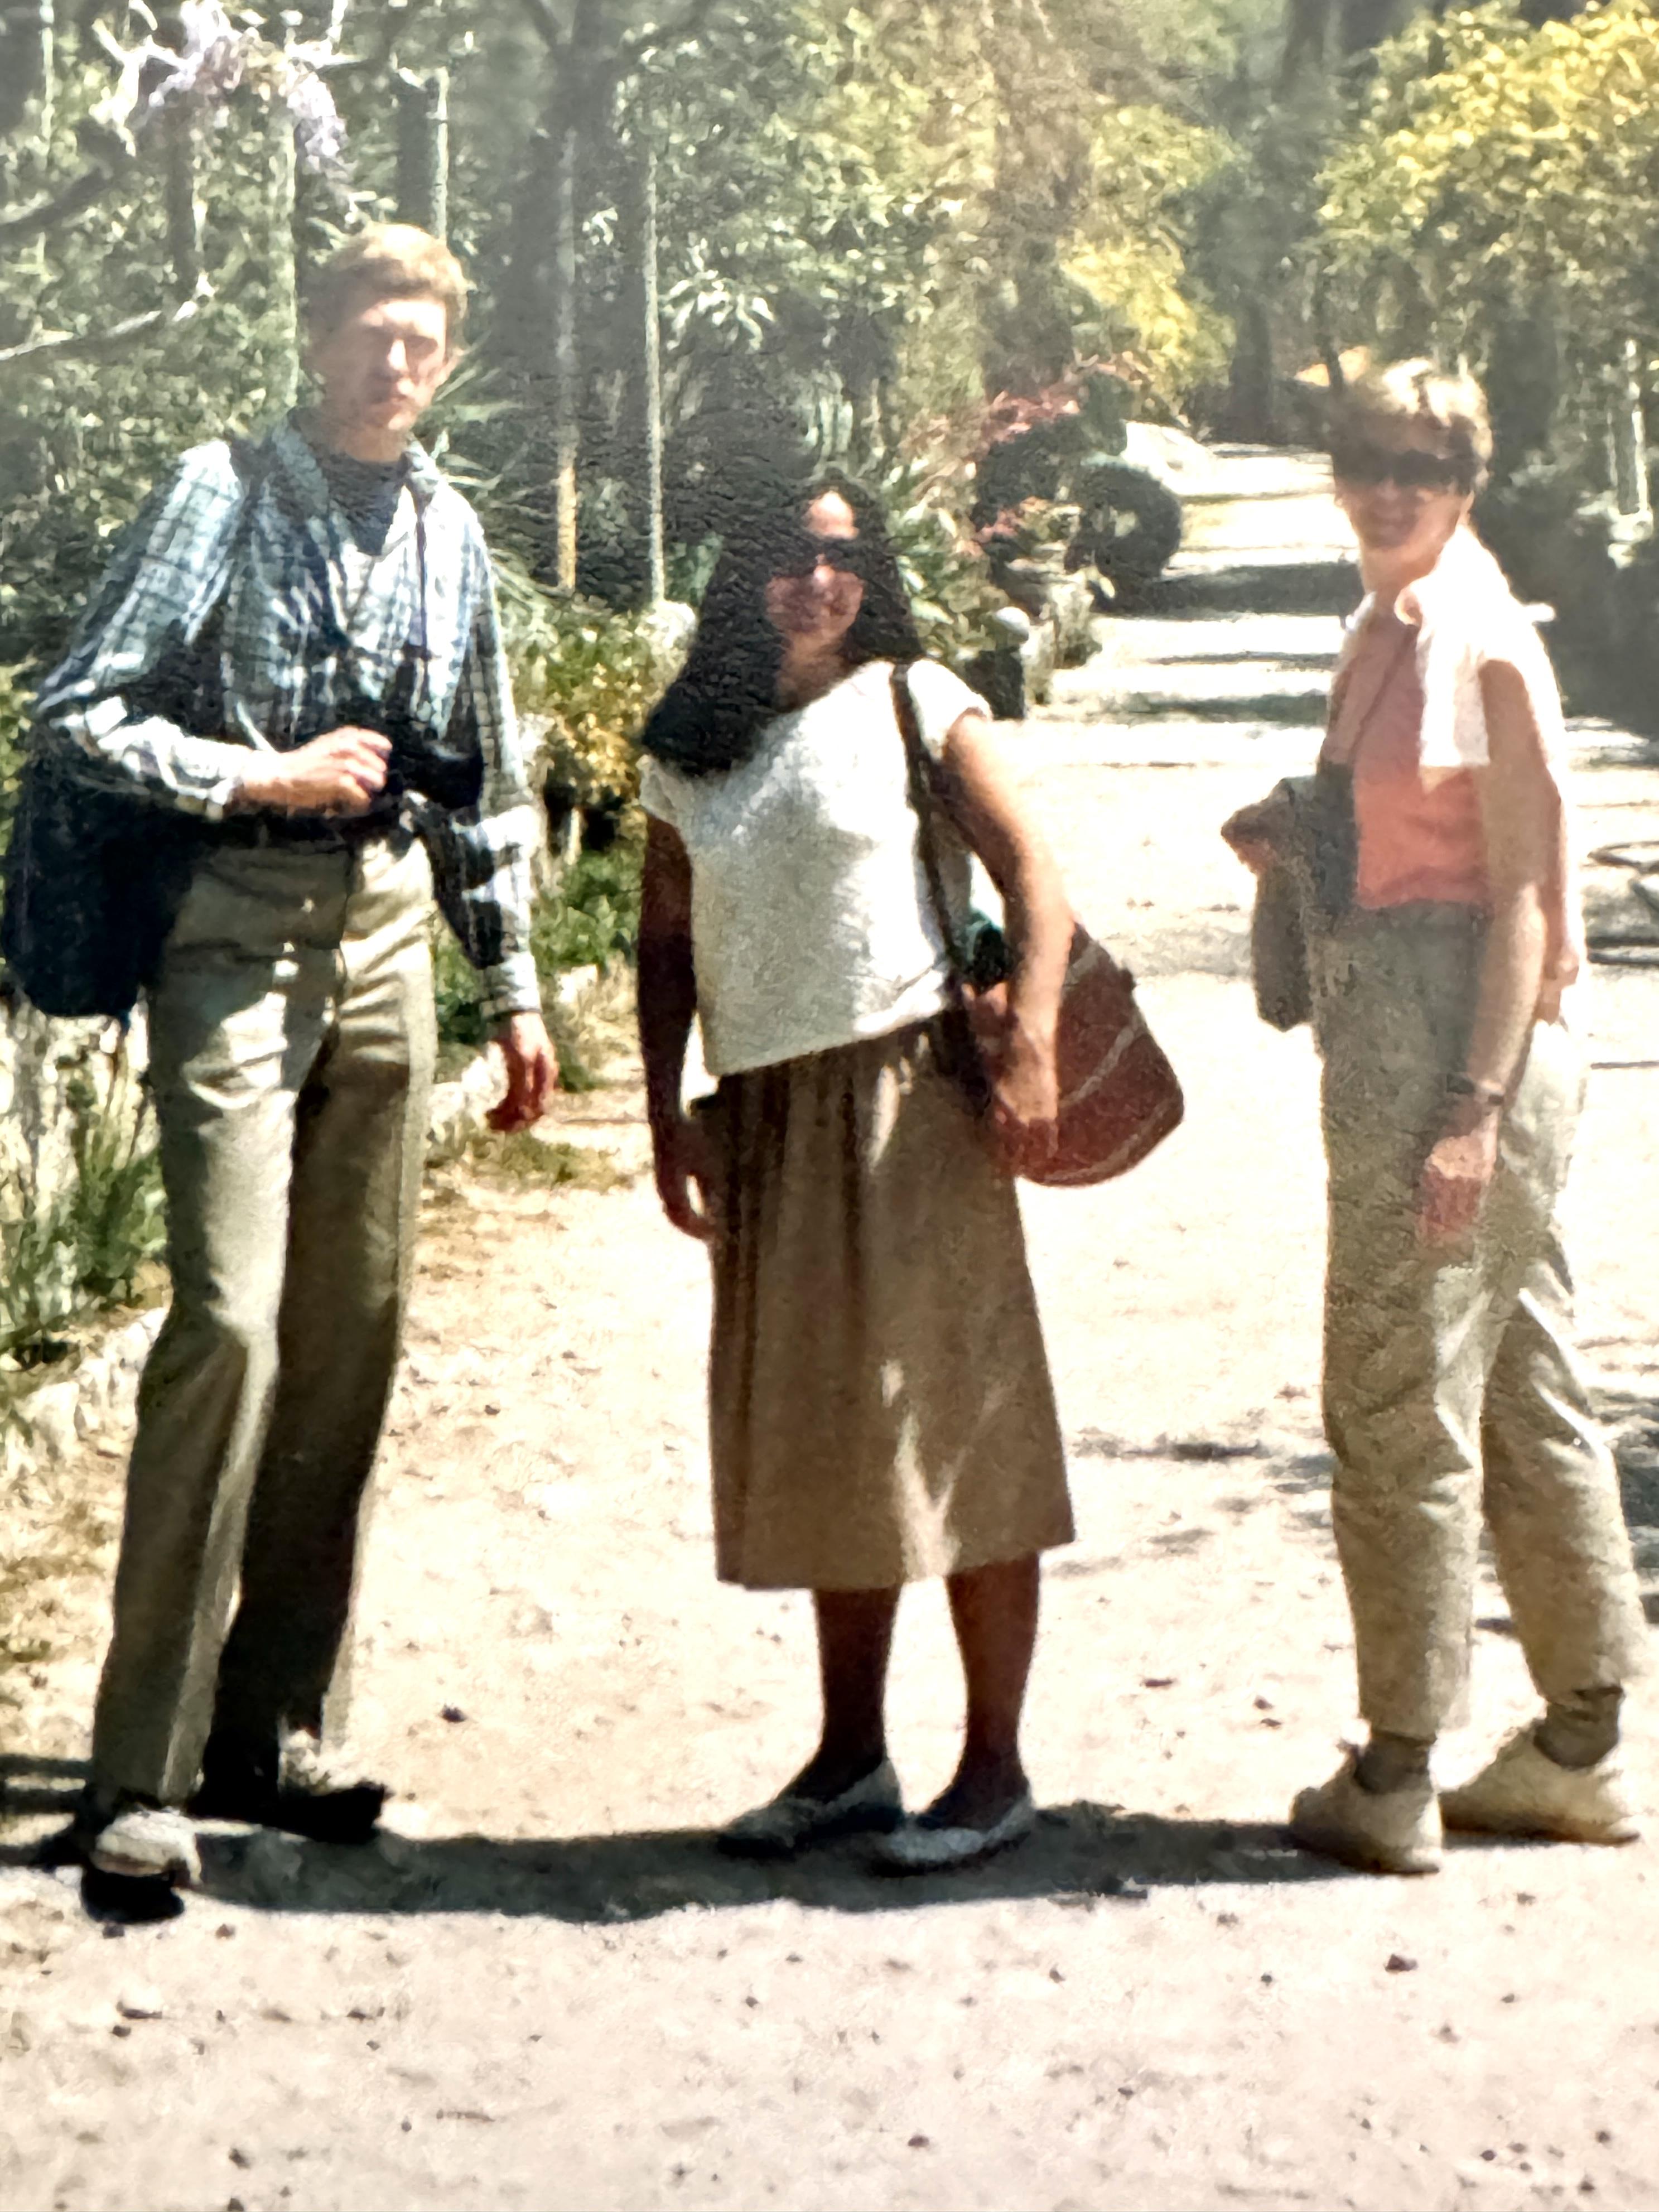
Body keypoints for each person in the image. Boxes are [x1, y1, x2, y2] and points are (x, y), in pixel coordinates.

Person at [32, 224, 555, 1903]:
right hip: (235, 936)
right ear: (317, 335)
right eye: (369, 333)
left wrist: (518, 990)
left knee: (354, 1335)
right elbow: (78, 710)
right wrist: (256, 777)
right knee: (232, 1326)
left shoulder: (450, 529)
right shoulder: (222, 491)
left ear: (446, 361)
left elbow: (482, 781)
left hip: (389, 933)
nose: (395, 365)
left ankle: (275, 1725)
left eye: (422, 343)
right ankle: (140, 1768)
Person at [1224, 359, 1646, 1876]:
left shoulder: (1475, 641)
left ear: (1467, 482)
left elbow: (1524, 896)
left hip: (1458, 1046)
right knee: (1519, 1378)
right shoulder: (1387, 628)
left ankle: (1394, 1769)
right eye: (1365, 459)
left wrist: (1468, 1110)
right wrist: (1299, 835)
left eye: (1421, 465)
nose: (1388, 488)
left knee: (1393, 1393)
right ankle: (1579, 1743)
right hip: (1402, 1027)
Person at [636, 471, 1076, 1872]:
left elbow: (1034, 874)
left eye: (843, 555)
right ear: (741, 573)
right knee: (829, 1431)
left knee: (957, 1418)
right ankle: (848, 1760)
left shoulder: (912, 699)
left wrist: (1033, 1044)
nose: (818, 580)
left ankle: (992, 1770)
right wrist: (665, 1111)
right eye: (789, 554)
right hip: (765, 1111)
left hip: (909, 1098)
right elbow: (663, 943)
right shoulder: (689, 748)